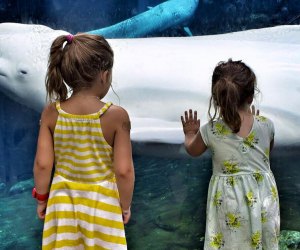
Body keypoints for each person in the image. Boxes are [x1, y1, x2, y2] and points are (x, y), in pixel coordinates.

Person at [33, 33, 135, 250]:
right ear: (105, 75)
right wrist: (124, 205)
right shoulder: (117, 117)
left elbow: (43, 164)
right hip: (103, 206)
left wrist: (42, 198)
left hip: (62, 205)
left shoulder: (52, 113)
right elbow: (124, 170)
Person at [181, 59, 280, 250]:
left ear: (217, 98)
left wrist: (190, 134)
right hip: (263, 198)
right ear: (251, 97)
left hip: (229, 200)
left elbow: (192, 150)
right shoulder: (267, 125)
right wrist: (256, 121)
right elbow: (268, 150)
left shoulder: (211, 130)